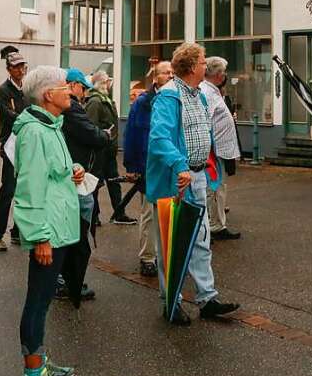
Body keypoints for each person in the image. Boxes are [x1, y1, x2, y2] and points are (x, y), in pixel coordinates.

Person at [147, 43, 240, 325]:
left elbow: (203, 133)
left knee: (201, 239)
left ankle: (207, 298)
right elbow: (159, 138)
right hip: (176, 181)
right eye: (201, 62)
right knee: (171, 242)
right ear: (190, 67)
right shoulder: (168, 96)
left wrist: (206, 168)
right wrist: (180, 165)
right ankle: (171, 302)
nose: (205, 66)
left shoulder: (198, 95)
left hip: (196, 177)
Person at [13, 66, 82, 376]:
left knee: (42, 302)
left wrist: (74, 170)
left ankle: (39, 360)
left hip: (58, 227)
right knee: (37, 302)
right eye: (62, 86)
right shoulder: (36, 132)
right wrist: (40, 236)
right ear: (47, 95)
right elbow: (28, 189)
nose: (69, 89)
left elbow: (53, 173)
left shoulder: (51, 125)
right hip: (48, 232)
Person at [55, 67, 110, 301]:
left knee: (73, 230)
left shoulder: (66, 108)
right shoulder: (71, 108)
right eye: (83, 87)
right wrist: (105, 135)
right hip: (77, 177)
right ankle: (66, 282)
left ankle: (64, 279)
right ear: (72, 85)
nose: (85, 92)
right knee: (75, 232)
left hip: (77, 173)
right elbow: (92, 135)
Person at [124, 61, 173, 277]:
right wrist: (132, 166)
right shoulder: (144, 102)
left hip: (170, 165)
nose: (170, 75)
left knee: (170, 211)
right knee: (149, 213)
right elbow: (132, 135)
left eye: (173, 72)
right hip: (148, 166)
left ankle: (167, 253)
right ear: (155, 77)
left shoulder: (174, 98)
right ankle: (147, 257)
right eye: (166, 72)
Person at [0, 49, 28, 251]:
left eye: (22, 66)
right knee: (7, 191)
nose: (21, 69)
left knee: (23, 191)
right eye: (16, 66)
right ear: (9, 69)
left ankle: (16, 231)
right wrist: (28, 118)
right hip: (10, 145)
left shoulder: (26, 88)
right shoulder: (4, 90)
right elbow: (10, 114)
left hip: (26, 144)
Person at [86, 70, 133, 225]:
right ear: (100, 83)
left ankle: (119, 213)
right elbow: (91, 127)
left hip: (109, 151)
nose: (109, 84)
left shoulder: (105, 100)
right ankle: (94, 217)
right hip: (100, 151)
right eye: (106, 81)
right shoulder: (95, 101)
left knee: (114, 183)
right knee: (95, 184)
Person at [202, 57, 241, 242]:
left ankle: (217, 223)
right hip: (214, 152)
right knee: (214, 189)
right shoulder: (208, 93)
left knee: (218, 188)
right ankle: (215, 225)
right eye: (223, 72)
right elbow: (205, 122)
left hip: (220, 151)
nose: (225, 75)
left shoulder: (213, 91)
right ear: (218, 75)